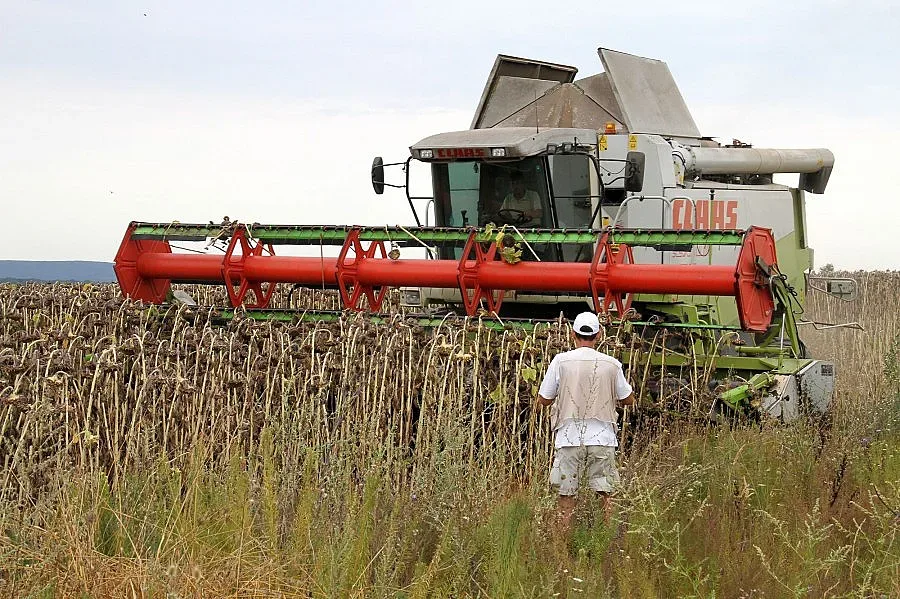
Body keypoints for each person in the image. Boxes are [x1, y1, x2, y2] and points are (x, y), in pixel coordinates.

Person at [535, 311, 635, 532]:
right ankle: (606, 541)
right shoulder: (612, 364)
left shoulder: (560, 361)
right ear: (599, 335)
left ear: (573, 334)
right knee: (606, 495)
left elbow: (544, 399)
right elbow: (628, 399)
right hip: (603, 438)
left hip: (569, 437)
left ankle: (562, 545)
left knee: (566, 496)